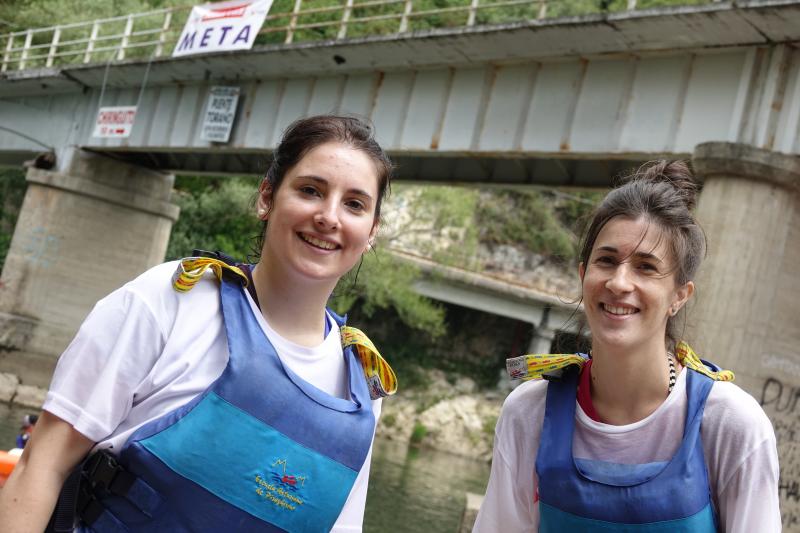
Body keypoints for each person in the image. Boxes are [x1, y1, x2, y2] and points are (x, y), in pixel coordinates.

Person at [0, 115, 397, 532]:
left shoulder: (363, 387)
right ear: (267, 197)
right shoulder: (172, 298)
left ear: (371, 231)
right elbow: (41, 465)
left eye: (354, 204)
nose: (329, 217)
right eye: (310, 190)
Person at [473, 161, 780, 532]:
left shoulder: (731, 425)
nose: (619, 282)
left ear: (680, 296)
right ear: (584, 274)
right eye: (607, 261)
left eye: (646, 267)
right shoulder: (529, 412)